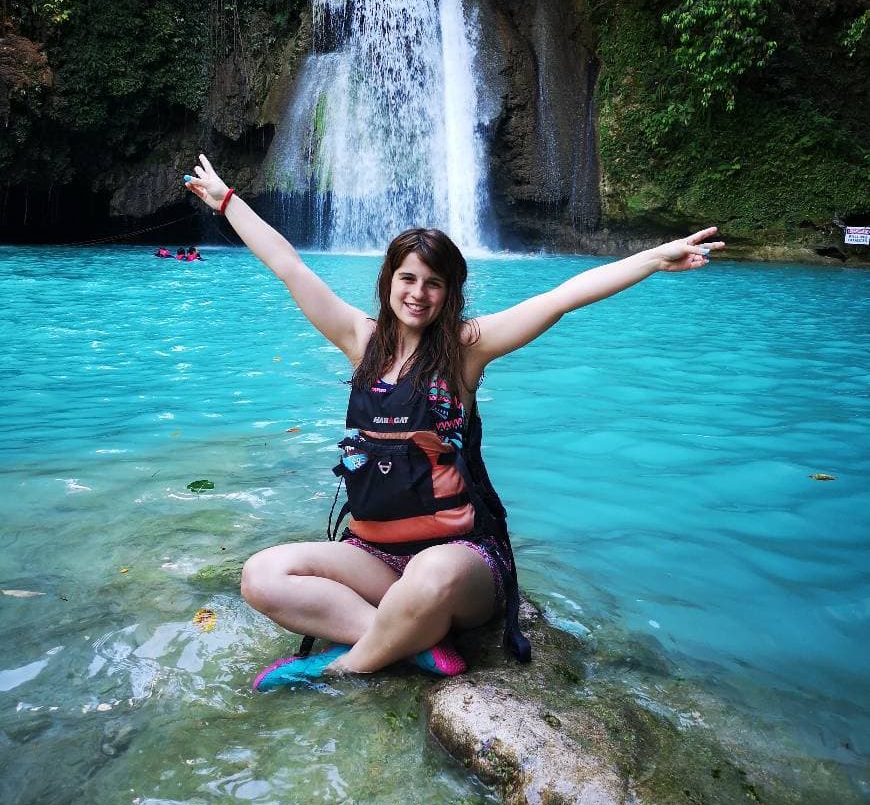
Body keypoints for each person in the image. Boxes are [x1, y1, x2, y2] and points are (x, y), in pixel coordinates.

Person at [184, 153, 723, 691]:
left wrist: (653, 258)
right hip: (371, 555)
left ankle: (341, 668)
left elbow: (560, 298)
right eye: (408, 278)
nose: (418, 293)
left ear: (450, 293)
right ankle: (408, 641)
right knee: (261, 575)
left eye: (434, 283)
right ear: (389, 281)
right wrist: (228, 203)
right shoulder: (360, 340)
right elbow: (289, 266)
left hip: (459, 563)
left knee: (430, 575)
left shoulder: (467, 350)